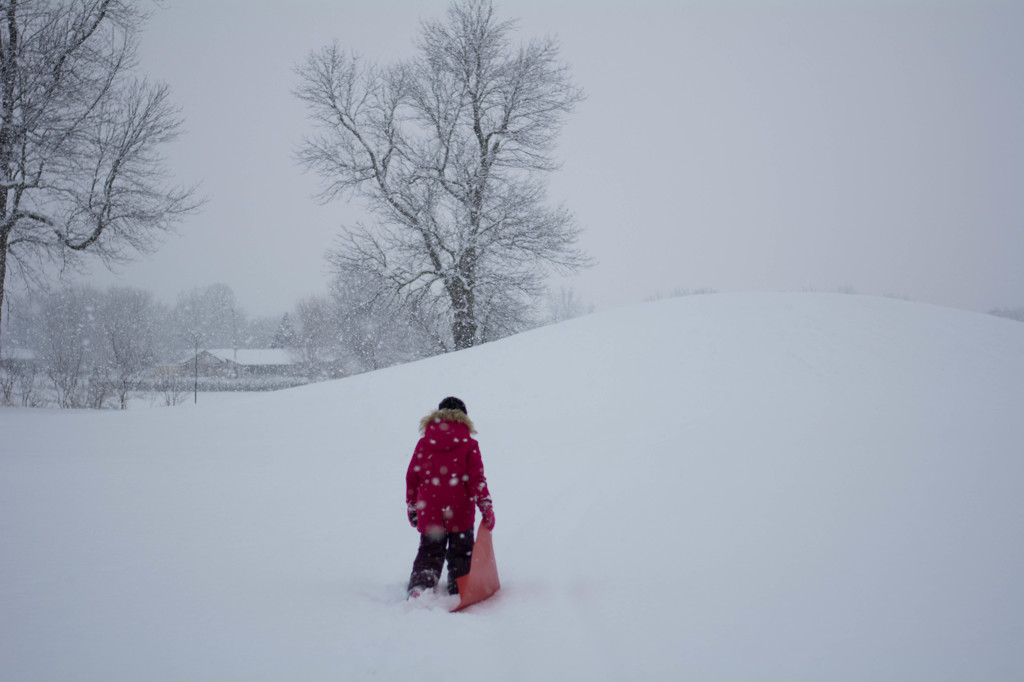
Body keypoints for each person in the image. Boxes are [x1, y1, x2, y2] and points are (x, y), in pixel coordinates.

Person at [406, 396, 495, 598]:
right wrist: (486, 506)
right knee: (461, 552)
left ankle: (420, 586)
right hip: (459, 509)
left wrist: (413, 507)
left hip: (430, 509)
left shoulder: (424, 443)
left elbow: (412, 477)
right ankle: (461, 586)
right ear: (464, 417)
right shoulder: (469, 444)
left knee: (429, 551)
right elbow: (476, 480)